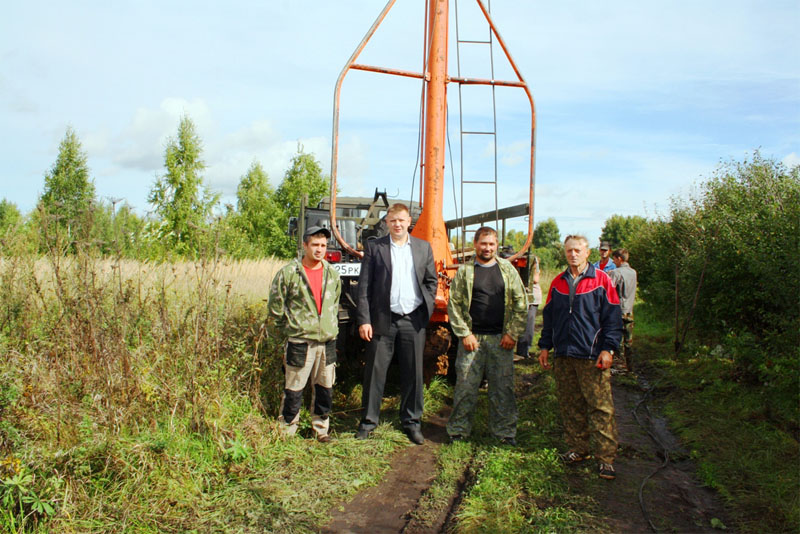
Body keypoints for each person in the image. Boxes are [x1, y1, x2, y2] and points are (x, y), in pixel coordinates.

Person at [538, 235, 623, 480]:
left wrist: (608, 349)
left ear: (587, 253)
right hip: (564, 355)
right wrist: (545, 346)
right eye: (569, 251)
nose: (573, 254)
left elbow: (613, 320)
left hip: (591, 355)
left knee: (600, 407)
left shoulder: (602, 281)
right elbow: (550, 320)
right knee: (570, 404)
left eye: (577, 250)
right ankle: (578, 449)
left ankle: (606, 458)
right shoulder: (557, 283)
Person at [355, 203, 438, 445]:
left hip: (413, 320)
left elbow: (431, 281)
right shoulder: (375, 247)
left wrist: (426, 309)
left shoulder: (423, 248)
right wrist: (365, 319)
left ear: (408, 220)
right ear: (387, 222)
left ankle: (412, 423)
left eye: (401, 220)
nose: (398, 224)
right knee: (375, 373)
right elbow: (364, 288)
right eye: (393, 221)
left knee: (413, 373)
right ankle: (369, 422)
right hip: (383, 320)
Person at [446, 227, 528, 445]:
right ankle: (459, 431)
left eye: (491, 244)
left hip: (501, 341)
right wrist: (465, 334)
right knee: (465, 387)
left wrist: (512, 333)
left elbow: (521, 304)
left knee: (503, 389)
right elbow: (453, 305)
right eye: (483, 243)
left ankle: (504, 433)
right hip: (472, 340)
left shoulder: (508, 270)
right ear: (475, 244)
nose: (487, 248)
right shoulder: (465, 272)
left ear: (497, 245)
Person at [268, 226, 342, 442]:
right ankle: (287, 431)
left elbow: (334, 303)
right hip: (300, 342)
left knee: (325, 388)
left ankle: (320, 430)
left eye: (323, 245)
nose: (320, 250)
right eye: (315, 245)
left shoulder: (332, 273)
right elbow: (275, 308)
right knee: (294, 388)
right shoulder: (289, 273)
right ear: (305, 246)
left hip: (327, 342)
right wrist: (291, 330)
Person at [608, 248, 637, 371]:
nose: (614, 262)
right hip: (629, 310)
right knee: (628, 341)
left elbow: (609, 290)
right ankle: (630, 367)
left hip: (618, 311)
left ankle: (619, 366)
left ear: (619, 258)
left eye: (614, 259)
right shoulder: (633, 272)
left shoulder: (616, 272)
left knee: (616, 340)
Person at [515, 255, 542, 360]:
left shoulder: (533, 263)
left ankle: (523, 351)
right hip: (521, 296)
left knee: (527, 324)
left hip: (532, 297)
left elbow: (535, 279)